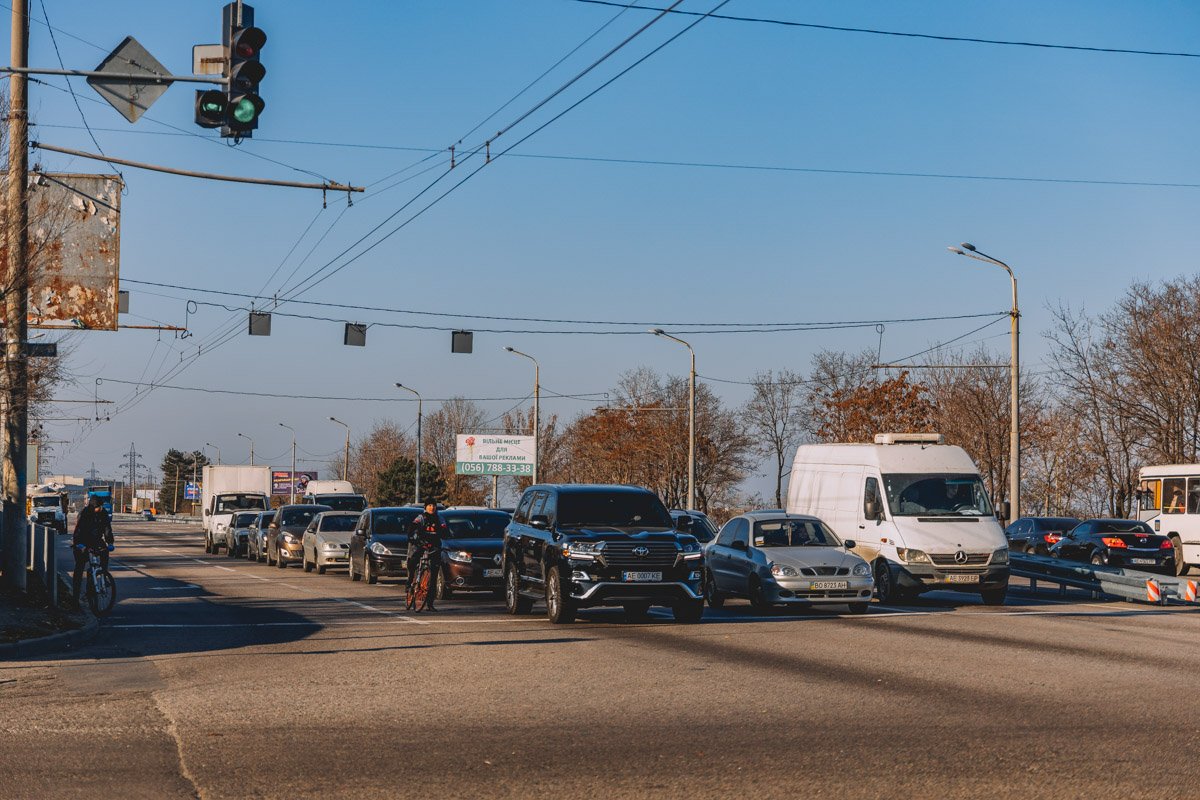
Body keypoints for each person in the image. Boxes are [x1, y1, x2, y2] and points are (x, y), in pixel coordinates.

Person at [73, 494, 113, 604]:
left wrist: (110, 542)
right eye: (98, 507)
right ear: (93, 506)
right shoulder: (85, 513)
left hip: (96, 540)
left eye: (101, 506)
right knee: (79, 568)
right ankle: (75, 596)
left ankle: (103, 574)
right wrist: (78, 544)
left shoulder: (103, 513)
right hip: (83, 541)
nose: (100, 508)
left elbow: (107, 529)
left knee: (104, 552)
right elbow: (78, 530)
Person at [407, 501, 447, 611]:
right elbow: (413, 526)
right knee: (413, 562)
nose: (432, 507)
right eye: (429, 505)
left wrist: (444, 533)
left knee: (434, 574)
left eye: (433, 505)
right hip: (422, 544)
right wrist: (411, 537)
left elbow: (444, 529)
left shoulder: (440, 518)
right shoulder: (421, 517)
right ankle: (410, 581)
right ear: (425, 507)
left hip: (435, 546)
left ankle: (430, 603)